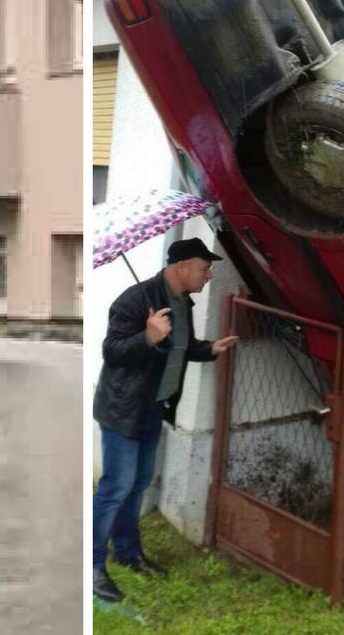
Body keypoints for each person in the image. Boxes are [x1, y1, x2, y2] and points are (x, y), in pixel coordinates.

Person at [92, 237, 239, 604]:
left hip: (153, 406)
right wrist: (147, 337)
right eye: (205, 269)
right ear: (182, 266)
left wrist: (209, 349)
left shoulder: (181, 303)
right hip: (123, 410)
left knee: (139, 482)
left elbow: (181, 347)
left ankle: (127, 552)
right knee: (116, 487)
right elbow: (111, 352)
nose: (208, 276)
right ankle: (91, 566)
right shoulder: (133, 300)